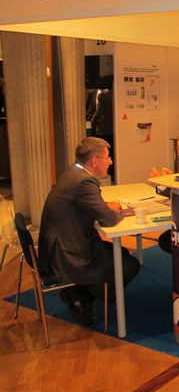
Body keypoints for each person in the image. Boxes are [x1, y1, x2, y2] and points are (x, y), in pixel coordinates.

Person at [37, 137, 140, 325]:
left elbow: (85, 204)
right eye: (107, 157)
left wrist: (105, 206)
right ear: (94, 161)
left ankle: (83, 291)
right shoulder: (85, 181)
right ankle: (83, 295)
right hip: (68, 253)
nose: (110, 162)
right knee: (130, 265)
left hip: (57, 245)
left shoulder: (73, 172)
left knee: (122, 253)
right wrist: (120, 213)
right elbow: (108, 220)